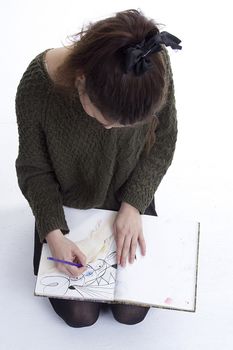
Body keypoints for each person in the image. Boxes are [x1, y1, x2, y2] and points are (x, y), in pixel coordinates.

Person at [15, 8, 181, 327]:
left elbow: (165, 138)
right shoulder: (38, 87)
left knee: (131, 313)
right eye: (105, 120)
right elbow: (33, 168)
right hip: (66, 205)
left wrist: (134, 205)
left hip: (130, 196)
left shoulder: (150, 66)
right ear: (82, 83)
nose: (111, 130)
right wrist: (53, 231)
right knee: (81, 316)